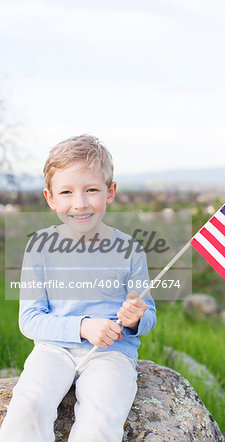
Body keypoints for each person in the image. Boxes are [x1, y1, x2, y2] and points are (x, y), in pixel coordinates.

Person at [0, 134, 156, 442]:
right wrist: (83, 327)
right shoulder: (40, 247)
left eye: (92, 190)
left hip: (110, 353)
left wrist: (135, 319)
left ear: (110, 192)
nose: (80, 203)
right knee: (27, 407)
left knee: (100, 418)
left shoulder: (130, 249)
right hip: (53, 348)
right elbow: (29, 319)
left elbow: (148, 315)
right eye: (67, 192)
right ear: (50, 197)